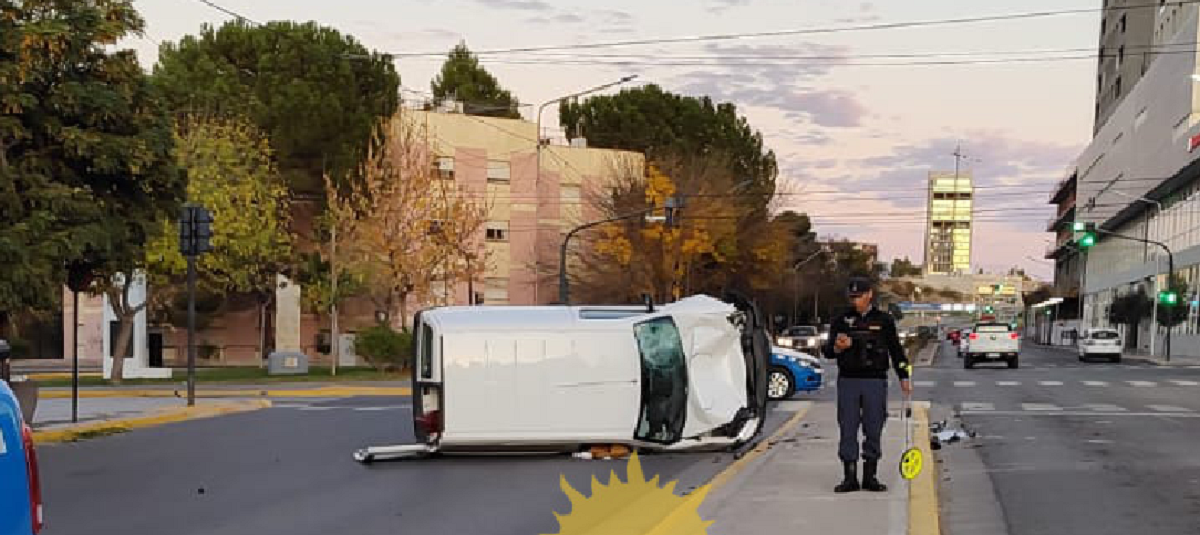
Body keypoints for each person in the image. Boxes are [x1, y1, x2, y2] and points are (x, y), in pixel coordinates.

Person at [823, 277, 912, 493]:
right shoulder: (841, 319)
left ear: (869, 294)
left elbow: (896, 350)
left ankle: (870, 475)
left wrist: (904, 376)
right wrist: (837, 347)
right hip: (849, 380)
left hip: (875, 380)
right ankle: (849, 476)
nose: (856, 301)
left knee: (874, 426)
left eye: (859, 296)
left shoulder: (884, 320)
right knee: (848, 427)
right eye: (852, 297)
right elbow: (826, 351)